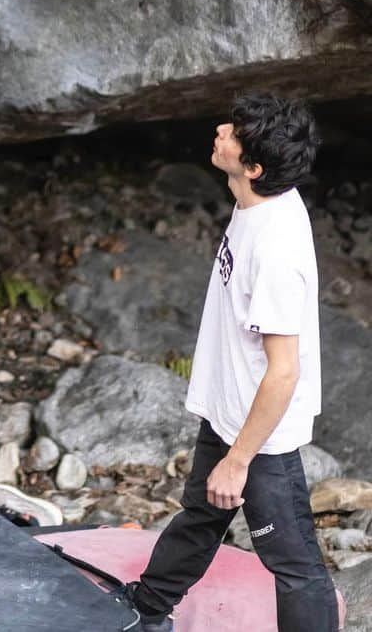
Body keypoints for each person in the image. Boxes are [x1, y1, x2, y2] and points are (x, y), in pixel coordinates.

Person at [124, 92, 338, 632]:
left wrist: (239, 459)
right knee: (203, 513)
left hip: (261, 438)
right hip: (230, 412)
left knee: (293, 566)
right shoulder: (258, 202)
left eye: (234, 133)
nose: (221, 130)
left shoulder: (275, 250)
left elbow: (284, 371)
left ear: (254, 166)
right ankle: (147, 606)